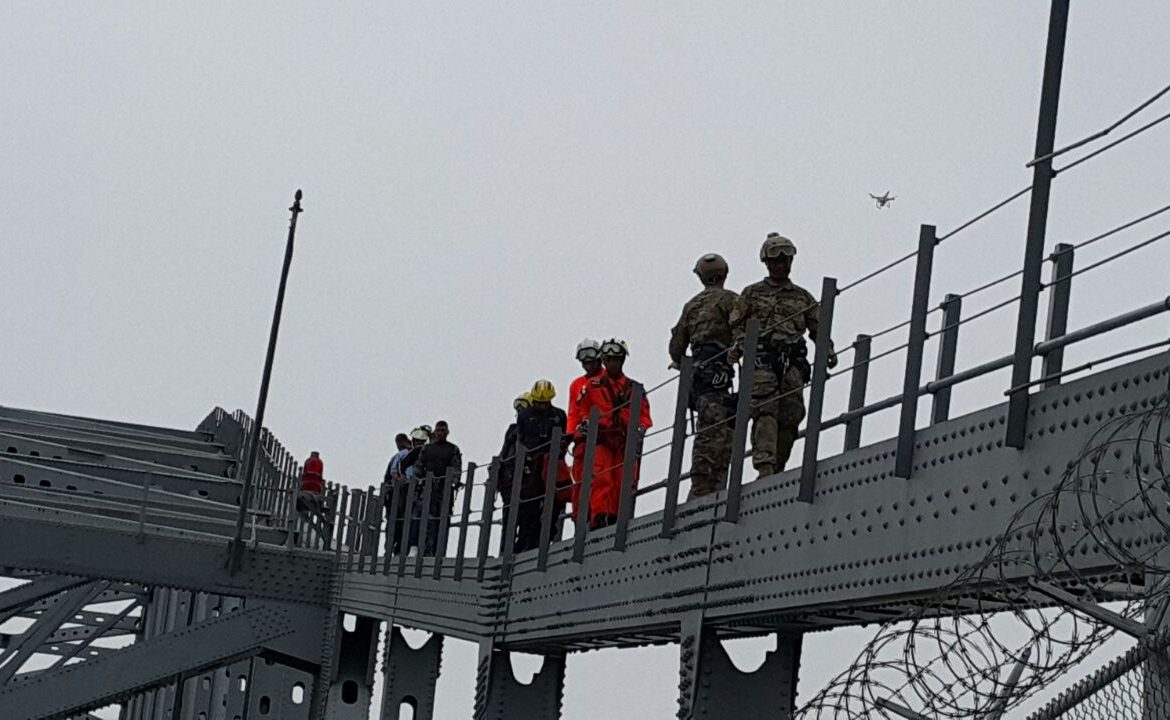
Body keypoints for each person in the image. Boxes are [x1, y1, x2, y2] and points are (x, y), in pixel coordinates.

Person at [729, 233, 836, 478]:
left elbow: (818, 328)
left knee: (792, 414)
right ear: (767, 263)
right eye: (776, 260)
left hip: (792, 364)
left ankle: (778, 466)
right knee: (765, 411)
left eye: (786, 260)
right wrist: (740, 343)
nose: (781, 265)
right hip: (762, 361)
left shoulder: (801, 296)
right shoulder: (751, 293)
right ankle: (765, 467)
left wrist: (827, 349)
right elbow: (735, 324)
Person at [669, 253, 739, 499]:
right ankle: (706, 487)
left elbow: (676, 347)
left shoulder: (691, 306)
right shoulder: (732, 300)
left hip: (699, 375)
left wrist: (679, 361)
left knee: (710, 427)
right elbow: (747, 332)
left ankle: (703, 487)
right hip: (721, 371)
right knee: (720, 426)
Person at [577, 339, 652, 528]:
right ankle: (600, 516)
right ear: (604, 360)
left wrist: (640, 429)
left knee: (624, 480)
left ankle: (619, 517)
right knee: (602, 478)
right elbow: (583, 410)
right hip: (602, 439)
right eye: (609, 360)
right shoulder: (591, 386)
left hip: (624, 441)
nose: (613, 363)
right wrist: (585, 424)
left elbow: (644, 415)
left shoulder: (636, 389)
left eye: (616, 359)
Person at [512, 379, 569, 552]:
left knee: (556, 501)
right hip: (531, 466)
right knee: (529, 506)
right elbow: (520, 441)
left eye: (545, 403)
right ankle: (526, 543)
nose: (541, 406)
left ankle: (547, 537)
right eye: (539, 402)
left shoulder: (558, 416)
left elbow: (564, 438)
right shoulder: (524, 416)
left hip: (552, 463)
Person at [412, 420, 462, 555]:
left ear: (447, 432)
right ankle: (426, 552)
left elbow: (457, 469)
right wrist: (420, 481)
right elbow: (418, 467)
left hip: (445, 492)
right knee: (427, 522)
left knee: (443, 522)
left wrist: (454, 481)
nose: (440, 433)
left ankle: (439, 553)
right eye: (438, 430)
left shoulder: (453, 449)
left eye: (443, 430)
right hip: (428, 491)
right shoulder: (427, 449)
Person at [566, 338, 602, 519]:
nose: (587, 365)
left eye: (591, 360)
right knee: (580, 484)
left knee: (601, 481)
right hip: (581, 442)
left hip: (602, 439)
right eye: (584, 362)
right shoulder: (576, 384)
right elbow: (573, 413)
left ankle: (599, 518)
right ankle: (580, 519)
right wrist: (571, 435)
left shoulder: (607, 379)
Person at [497, 393, 531, 553]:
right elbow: (504, 453)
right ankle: (505, 550)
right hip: (509, 480)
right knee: (509, 516)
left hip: (528, 480)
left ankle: (523, 548)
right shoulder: (512, 430)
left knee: (526, 517)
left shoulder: (533, 428)